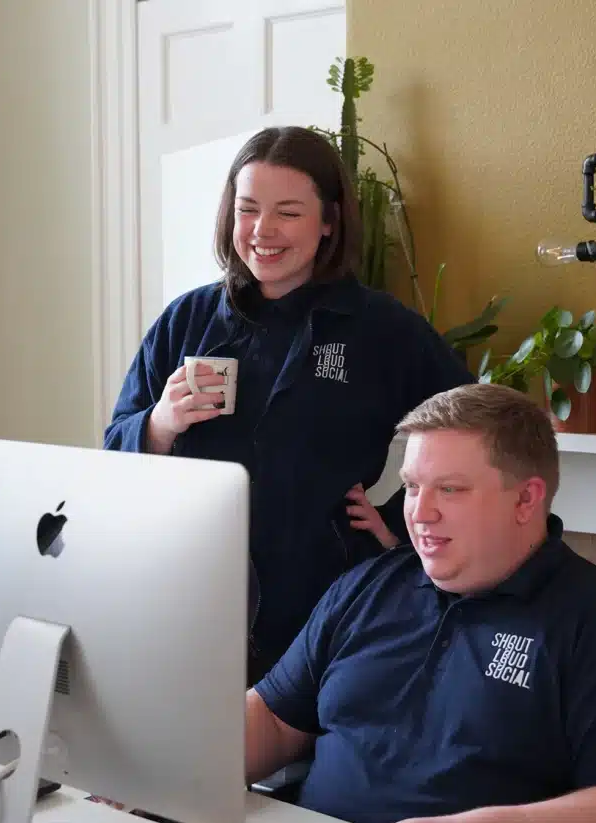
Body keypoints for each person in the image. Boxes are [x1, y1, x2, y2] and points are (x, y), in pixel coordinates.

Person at [245, 383, 596, 823]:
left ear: (526, 499)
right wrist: (165, 767)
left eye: (450, 489)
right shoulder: (367, 586)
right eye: (413, 487)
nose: (419, 512)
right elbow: (275, 720)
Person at [104, 126, 473, 683]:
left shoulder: (381, 329)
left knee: (305, 759)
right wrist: (160, 422)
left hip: (327, 598)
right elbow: (113, 453)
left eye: (289, 213)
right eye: (248, 209)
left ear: (330, 221)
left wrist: (399, 520)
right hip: (190, 591)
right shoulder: (188, 320)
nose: (263, 231)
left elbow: (472, 433)